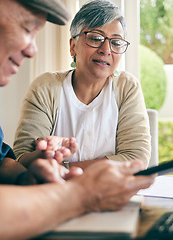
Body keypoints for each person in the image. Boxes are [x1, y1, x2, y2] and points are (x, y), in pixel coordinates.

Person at [0, 0, 155, 239]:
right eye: (27, 28)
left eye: (116, 42)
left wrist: (28, 177)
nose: (32, 50)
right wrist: (80, 195)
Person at [13, 0, 151, 170]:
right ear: (73, 47)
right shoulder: (45, 87)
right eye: (95, 38)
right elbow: (22, 157)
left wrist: (63, 167)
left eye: (116, 42)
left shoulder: (127, 87)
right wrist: (45, 154)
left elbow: (136, 159)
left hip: (109, 194)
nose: (106, 49)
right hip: (56, 194)